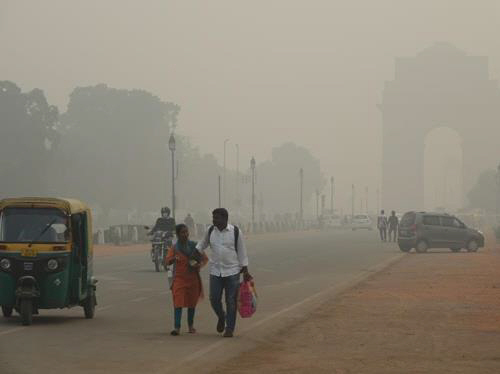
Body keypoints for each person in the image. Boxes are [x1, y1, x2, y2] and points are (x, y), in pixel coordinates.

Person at [195, 208, 252, 338]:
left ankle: (229, 328)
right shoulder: (210, 231)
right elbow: (201, 245)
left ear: (225, 219)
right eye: (213, 217)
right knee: (214, 298)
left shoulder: (236, 232)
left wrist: (245, 270)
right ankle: (222, 316)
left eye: (216, 218)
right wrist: (192, 257)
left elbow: (242, 251)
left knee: (230, 301)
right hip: (216, 271)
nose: (214, 220)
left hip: (232, 271)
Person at [165, 224, 208, 336]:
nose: (186, 234)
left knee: (191, 303)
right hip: (179, 278)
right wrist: (174, 258)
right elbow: (167, 261)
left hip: (193, 278)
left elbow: (205, 259)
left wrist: (198, 265)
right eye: (183, 232)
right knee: (178, 302)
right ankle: (177, 327)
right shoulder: (174, 248)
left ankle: (190, 326)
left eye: (186, 232)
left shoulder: (195, 246)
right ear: (178, 234)